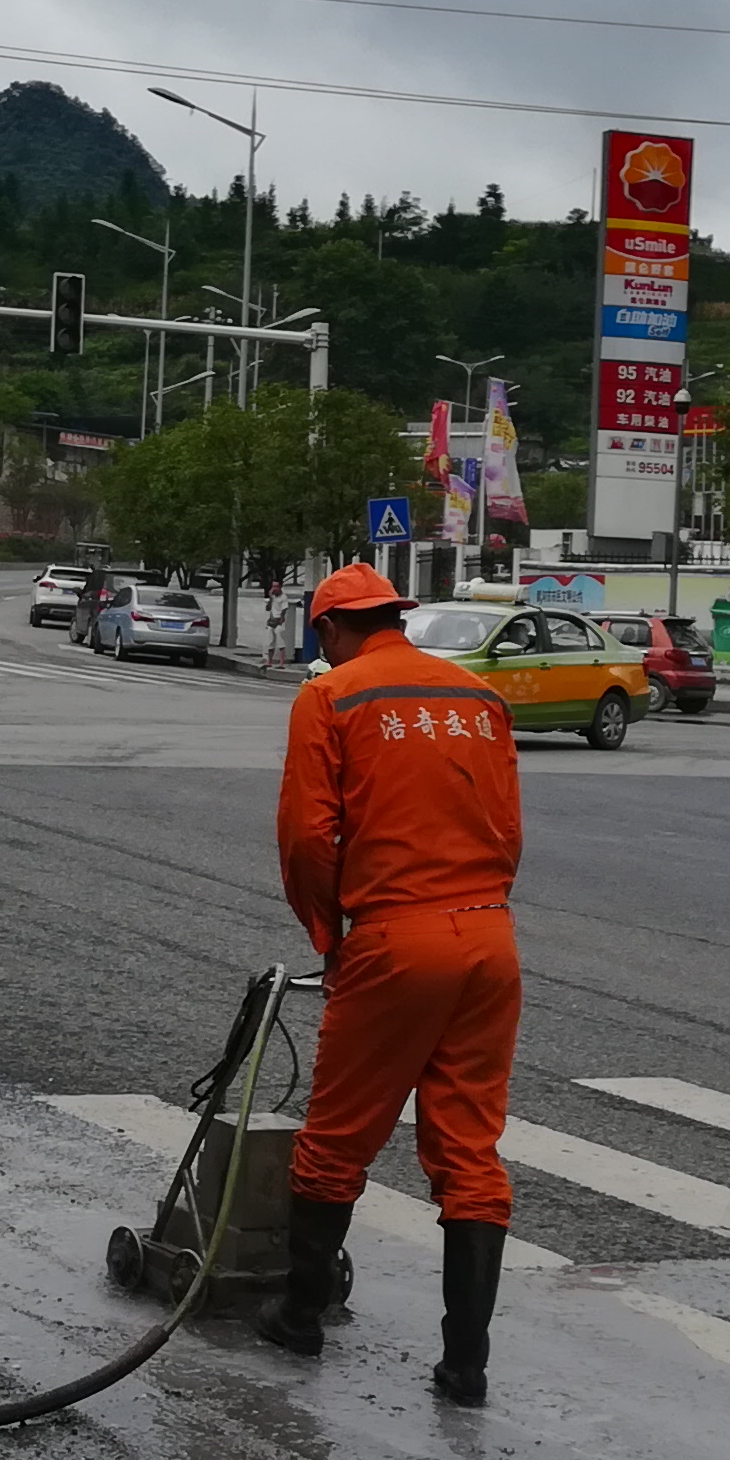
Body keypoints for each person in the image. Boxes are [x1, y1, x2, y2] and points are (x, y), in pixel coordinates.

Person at [258, 560, 527, 1405]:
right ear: (396, 617)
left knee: (336, 1140)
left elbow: (309, 835)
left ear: (332, 629)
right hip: (490, 939)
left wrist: (330, 936)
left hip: (395, 938)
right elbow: (509, 828)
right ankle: (465, 1366)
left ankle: (300, 1316)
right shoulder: (479, 699)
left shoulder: (329, 697)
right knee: (469, 1149)